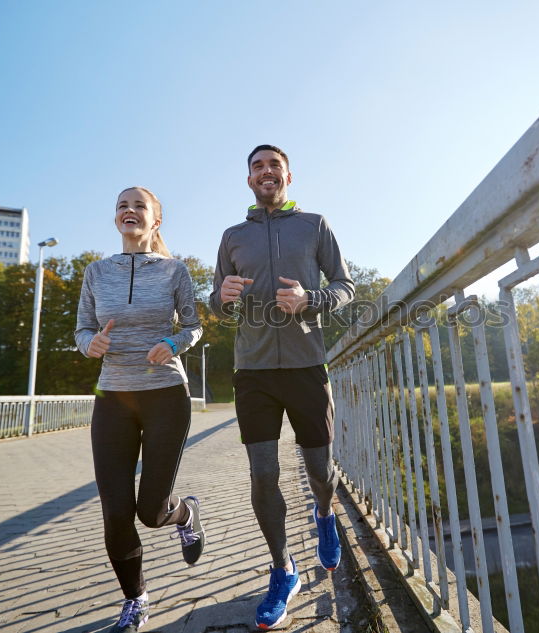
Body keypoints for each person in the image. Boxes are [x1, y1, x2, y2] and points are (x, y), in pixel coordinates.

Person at [210, 145, 355, 630]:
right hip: (252, 372)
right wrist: (222, 297)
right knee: (262, 473)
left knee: (319, 468)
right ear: (248, 179)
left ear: (288, 175)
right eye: (257, 166)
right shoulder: (232, 236)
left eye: (273, 165)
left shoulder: (314, 225)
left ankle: (323, 513)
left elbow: (345, 286)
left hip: (306, 364)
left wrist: (309, 299)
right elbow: (216, 301)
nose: (265, 171)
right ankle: (282, 568)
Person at [75, 186, 206, 633]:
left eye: (138, 206)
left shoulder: (175, 271)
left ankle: (184, 513)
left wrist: (172, 342)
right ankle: (136, 600)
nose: (128, 211)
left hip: (165, 395)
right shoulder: (95, 271)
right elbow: (82, 329)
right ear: (116, 219)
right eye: (121, 206)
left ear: (155, 221)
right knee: (115, 511)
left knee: (151, 512)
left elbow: (193, 326)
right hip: (112, 397)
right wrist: (89, 345)